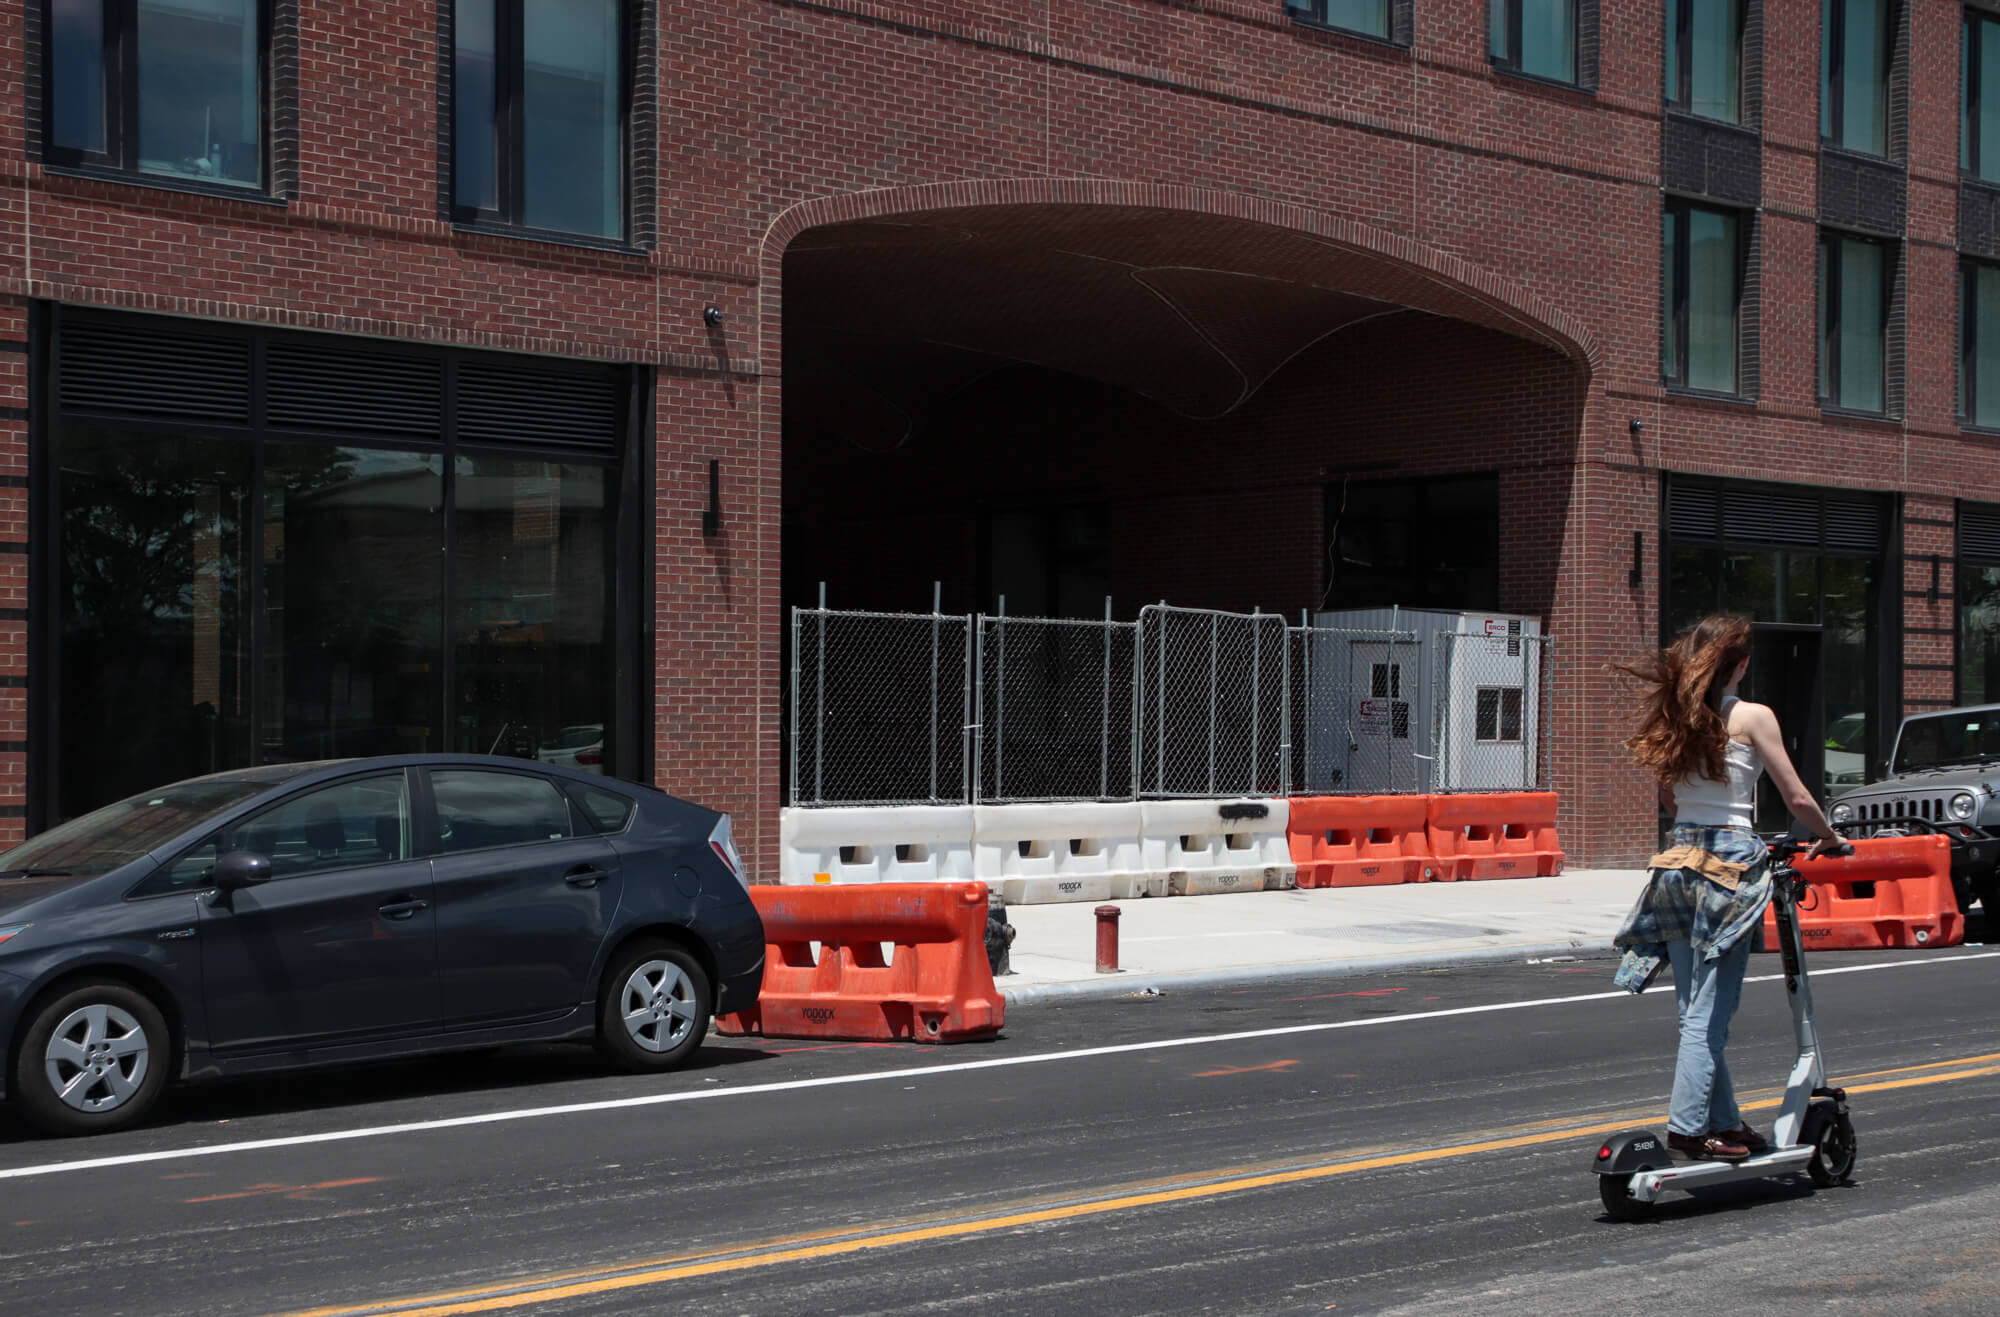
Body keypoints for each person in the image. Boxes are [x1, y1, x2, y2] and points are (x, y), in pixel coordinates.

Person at [1610, 614, 1843, 1162]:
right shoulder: (1753, 716)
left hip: (1675, 864)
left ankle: (1723, 1121)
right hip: (1728, 866)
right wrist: (1831, 838)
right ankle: (1689, 1128)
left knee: (1695, 1010)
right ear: (1740, 664)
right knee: (1709, 1016)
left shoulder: (1676, 716)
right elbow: (1799, 799)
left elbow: (1670, 803)